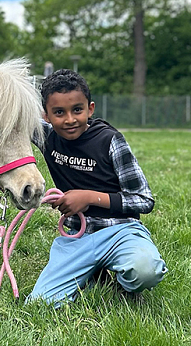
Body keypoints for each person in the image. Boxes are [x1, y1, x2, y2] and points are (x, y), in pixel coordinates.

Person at [27, 69, 166, 308]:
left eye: (77, 110)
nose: (69, 119)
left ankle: (124, 283)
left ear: (90, 109)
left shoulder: (110, 140)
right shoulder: (46, 136)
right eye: (59, 112)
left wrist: (90, 198)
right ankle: (94, 275)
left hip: (120, 231)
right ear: (46, 115)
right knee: (42, 303)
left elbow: (144, 200)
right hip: (77, 236)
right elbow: (8, 111)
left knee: (146, 271)